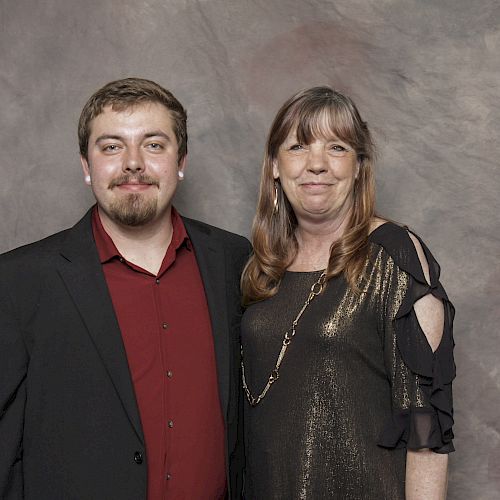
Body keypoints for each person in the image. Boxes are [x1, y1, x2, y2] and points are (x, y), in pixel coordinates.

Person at [0, 77, 250, 500]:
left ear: (181, 160)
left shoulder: (232, 259)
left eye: (154, 145)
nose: (133, 163)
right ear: (86, 166)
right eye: (112, 146)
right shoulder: (20, 281)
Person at [240, 86, 455, 499]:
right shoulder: (262, 267)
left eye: (336, 147)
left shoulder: (395, 256)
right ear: (274, 166)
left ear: (358, 166)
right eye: (298, 146)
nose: (316, 164)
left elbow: (426, 430)